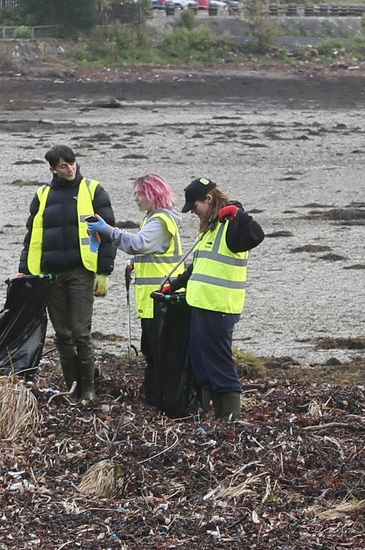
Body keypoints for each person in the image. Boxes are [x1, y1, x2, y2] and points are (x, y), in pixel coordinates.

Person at [160, 177, 267, 423]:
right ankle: (219, 417)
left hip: (219, 306)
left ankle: (231, 418)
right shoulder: (210, 229)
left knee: (219, 363)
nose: (193, 212)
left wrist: (240, 215)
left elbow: (255, 236)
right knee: (202, 363)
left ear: (208, 199)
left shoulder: (231, 224)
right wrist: (174, 285)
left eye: (195, 206)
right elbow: (198, 266)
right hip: (200, 305)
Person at [20, 144, 118, 402]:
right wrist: (24, 270)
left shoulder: (93, 190)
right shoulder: (42, 195)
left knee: (80, 332)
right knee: (62, 334)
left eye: (72, 162)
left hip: (81, 271)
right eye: (63, 165)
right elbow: (32, 236)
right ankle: (72, 387)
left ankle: (88, 388)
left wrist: (104, 271)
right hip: (51, 275)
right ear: (52, 169)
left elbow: (107, 233)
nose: (70, 168)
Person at [86, 174, 191, 399]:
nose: (135, 198)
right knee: (154, 352)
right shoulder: (156, 218)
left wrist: (107, 231)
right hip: (156, 299)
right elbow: (152, 250)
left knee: (158, 353)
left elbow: (139, 243)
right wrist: (136, 263)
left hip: (161, 299)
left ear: (154, 194)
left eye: (140, 194)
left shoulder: (160, 221)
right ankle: (158, 397)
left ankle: (163, 400)